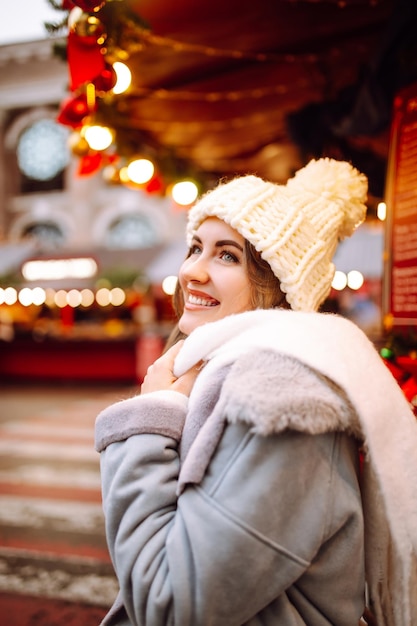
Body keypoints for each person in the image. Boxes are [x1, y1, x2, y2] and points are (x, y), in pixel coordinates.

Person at [95, 158, 417, 626]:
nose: (192, 272)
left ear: (278, 286)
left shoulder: (282, 402)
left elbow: (172, 608)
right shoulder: (218, 368)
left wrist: (151, 417)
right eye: (195, 248)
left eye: (228, 255)